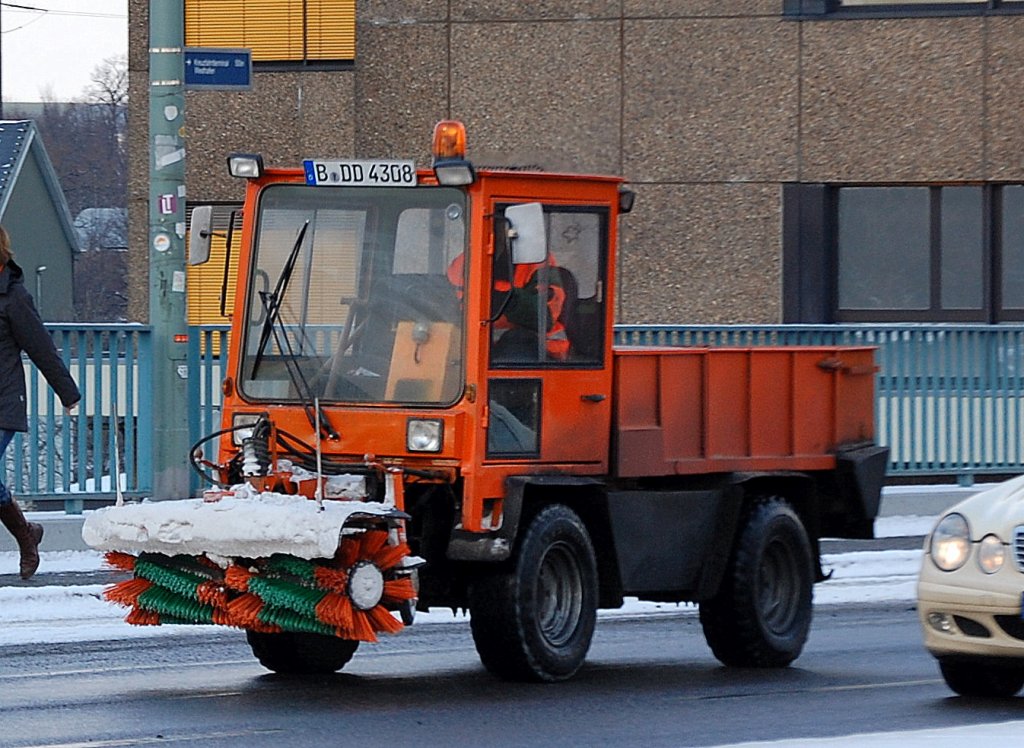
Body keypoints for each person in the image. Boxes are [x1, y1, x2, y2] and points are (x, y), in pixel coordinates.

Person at [0, 226, 80, 579]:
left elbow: (41, 347)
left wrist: (68, 392)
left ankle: (25, 536)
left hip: (2, 403)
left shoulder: (13, 297)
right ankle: (27, 534)